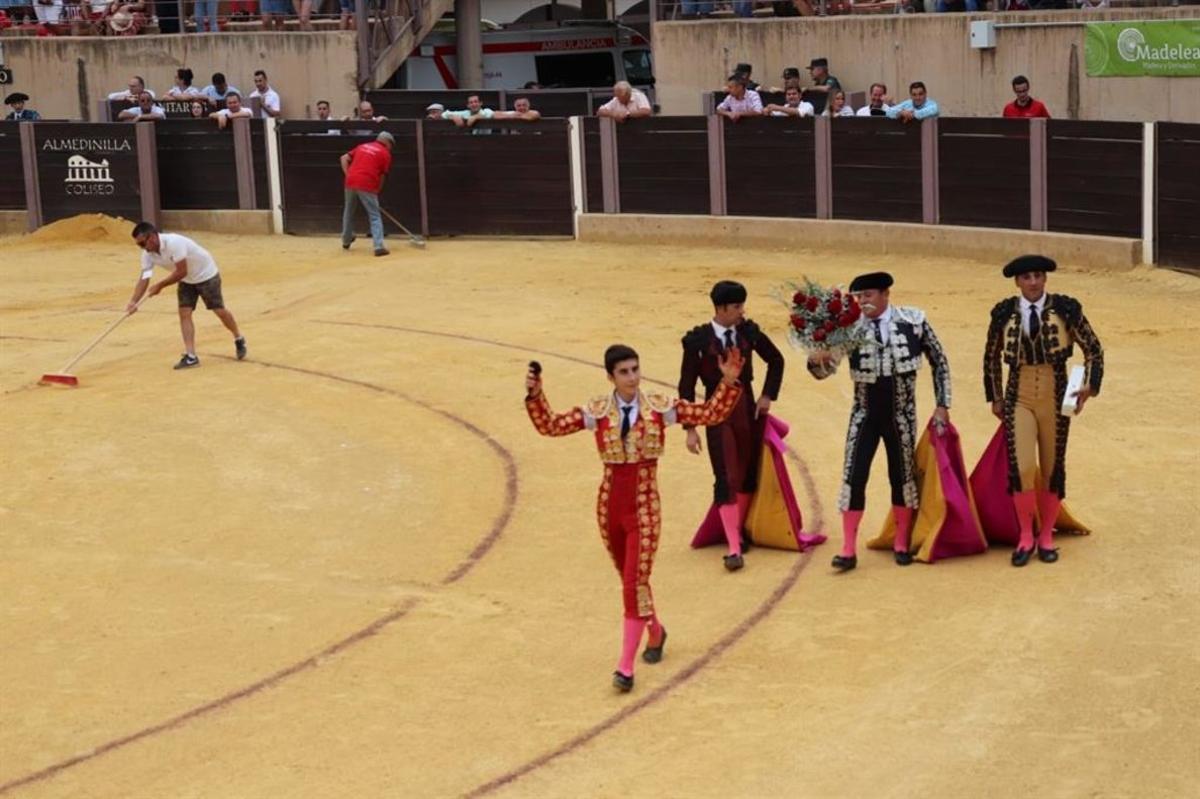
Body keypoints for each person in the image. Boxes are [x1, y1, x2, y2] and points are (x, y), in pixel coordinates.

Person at [526, 344, 745, 692]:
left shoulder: (660, 407)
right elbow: (550, 426)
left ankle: (625, 667)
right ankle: (655, 631)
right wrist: (536, 396)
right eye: (624, 372)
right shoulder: (598, 411)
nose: (632, 378)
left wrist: (728, 383)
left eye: (635, 369)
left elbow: (710, 414)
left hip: (644, 506)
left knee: (633, 583)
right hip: (608, 506)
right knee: (631, 579)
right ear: (610, 376)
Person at [807, 272, 951, 571]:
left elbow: (940, 361)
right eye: (859, 297)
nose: (863, 302)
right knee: (854, 476)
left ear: (886, 294)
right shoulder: (848, 330)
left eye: (869, 295)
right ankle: (848, 549)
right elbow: (823, 373)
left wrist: (942, 405)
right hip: (864, 415)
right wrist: (816, 359)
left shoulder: (913, 321)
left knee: (902, 478)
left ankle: (900, 543)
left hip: (902, 416)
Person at [983, 255, 1103, 566]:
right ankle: (1026, 536)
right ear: (1017, 282)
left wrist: (1090, 386)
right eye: (1027, 277)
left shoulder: (1066, 309)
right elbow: (991, 357)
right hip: (1018, 396)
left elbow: (1093, 348)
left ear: (1045, 279)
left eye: (1038, 276)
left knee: (1052, 468)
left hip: (1055, 394)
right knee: (1021, 468)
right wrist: (996, 397)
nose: (1033, 282)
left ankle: (1046, 536)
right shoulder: (1003, 313)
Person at [680, 281, 785, 571]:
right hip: (716, 414)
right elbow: (686, 385)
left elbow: (777, 360)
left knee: (747, 470)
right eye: (737, 306)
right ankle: (734, 546)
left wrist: (767, 395)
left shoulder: (748, 333)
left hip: (747, 407)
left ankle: (740, 529)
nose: (742, 311)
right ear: (721, 308)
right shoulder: (698, 341)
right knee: (725, 473)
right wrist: (690, 427)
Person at [126, 222, 246, 370]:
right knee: (184, 313)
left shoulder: (174, 243)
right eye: (139, 245)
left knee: (219, 310)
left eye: (143, 243)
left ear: (152, 237)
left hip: (206, 274)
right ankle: (191, 356)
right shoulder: (147, 255)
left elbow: (181, 271)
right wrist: (133, 302)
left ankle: (238, 337)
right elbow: (145, 277)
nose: (143, 248)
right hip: (186, 280)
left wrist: (160, 285)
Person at [340, 131, 394, 257]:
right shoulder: (385, 153)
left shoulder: (362, 146)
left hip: (351, 181)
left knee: (348, 211)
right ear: (387, 142)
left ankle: (346, 241)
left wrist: (348, 175)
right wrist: (377, 189)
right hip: (367, 183)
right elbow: (382, 175)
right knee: (374, 215)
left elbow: (343, 158)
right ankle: (378, 246)